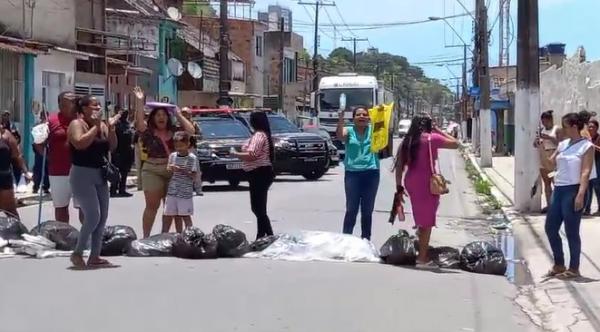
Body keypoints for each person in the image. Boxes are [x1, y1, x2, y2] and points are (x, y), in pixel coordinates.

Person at [394, 114, 459, 269]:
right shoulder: (432, 138)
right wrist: (438, 130)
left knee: (422, 215)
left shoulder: (407, 141)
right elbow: (456, 144)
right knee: (427, 220)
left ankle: (421, 242)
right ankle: (422, 259)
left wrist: (399, 187)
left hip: (411, 181)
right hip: (428, 182)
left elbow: (399, 166)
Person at [133, 87, 195, 238]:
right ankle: (146, 238)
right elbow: (139, 123)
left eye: (164, 115)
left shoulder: (175, 131)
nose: (161, 118)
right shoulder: (147, 131)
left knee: (171, 207)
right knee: (152, 206)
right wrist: (140, 102)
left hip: (173, 170)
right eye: (158, 115)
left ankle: (165, 236)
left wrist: (178, 113)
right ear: (153, 117)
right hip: (152, 169)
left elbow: (191, 131)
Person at [67, 95, 119, 268]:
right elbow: (80, 144)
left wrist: (110, 129)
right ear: (83, 109)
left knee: (102, 216)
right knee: (92, 216)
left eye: (99, 105)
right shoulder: (76, 124)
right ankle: (78, 252)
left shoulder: (102, 125)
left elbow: (112, 147)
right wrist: (95, 128)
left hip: (100, 174)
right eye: (94, 105)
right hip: (82, 174)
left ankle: (95, 256)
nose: (98, 108)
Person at [543, 112, 595, 279]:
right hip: (559, 189)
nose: (562, 130)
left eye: (565, 126)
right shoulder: (563, 144)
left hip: (574, 190)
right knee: (550, 228)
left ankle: (574, 268)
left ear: (574, 127)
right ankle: (559, 264)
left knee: (571, 230)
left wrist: (581, 194)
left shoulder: (586, 146)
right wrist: (540, 150)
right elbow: (550, 164)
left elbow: (586, 171)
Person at [35, 92, 83, 224]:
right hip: (58, 171)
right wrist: (49, 157)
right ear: (60, 104)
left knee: (85, 207)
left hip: (81, 170)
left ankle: (88, 238)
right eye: (69, 100)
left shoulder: (82, 118)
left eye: (74, 100)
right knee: (61, 208)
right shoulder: (51, 120)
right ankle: (64, 236)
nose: (73, 102)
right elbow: (38, 143)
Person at [336, 106, 380, 240]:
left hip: (371, 173)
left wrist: (381, 114)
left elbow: (383, 136)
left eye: (365, 115)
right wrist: (341, 118)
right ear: (353, 118)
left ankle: (366, 240)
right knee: (351, 209)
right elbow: (340, 136)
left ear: (369, 118)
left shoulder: (374, 131)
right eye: (358, 115)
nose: (362, 117)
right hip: (352, 174)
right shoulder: (349, 130)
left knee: (367, 211)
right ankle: (346, 239)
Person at [231, 112, 275, 240]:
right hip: (260, 173)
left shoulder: (259, 135)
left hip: (259, 173)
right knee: (259, 208)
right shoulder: (261, 135)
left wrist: (236, 154)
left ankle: (268, 235)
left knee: (258, 208)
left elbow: (252, 154)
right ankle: (262, 235)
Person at [163, 131, 198, 233]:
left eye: (182, 146)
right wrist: (172, 168)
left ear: (188, 144)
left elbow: (193, 175)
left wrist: (182, 170)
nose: (179, 149)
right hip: (173, 191)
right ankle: (179, 235)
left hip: (185, 192)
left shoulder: (192, 158)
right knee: (174, 215)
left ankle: (190, 235)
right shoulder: (173, 156)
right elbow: (168, 168)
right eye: (177, 146)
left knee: (185, 216)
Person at [0, 120, 30, 219]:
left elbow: (17, 156)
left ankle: (17, 233)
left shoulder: (6, 135)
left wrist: (26, 172)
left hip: (3, 176)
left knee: (10, 211)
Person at [534, 110, 562, 213]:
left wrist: (549, 137)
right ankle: (549, 205)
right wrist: (537, 141)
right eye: (543, 122)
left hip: (553, 157)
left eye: (546, 121)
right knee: (546, 182)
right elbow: (535, 144)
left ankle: (557, 204)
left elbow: (561, 143)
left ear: (550, 120)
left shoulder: (557, 129)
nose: (544, 124)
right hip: (543, 156)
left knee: (556, 181)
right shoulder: (541, 130)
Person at [110, 107, 135, 197]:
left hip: (127, 151)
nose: (125, 114)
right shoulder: (116, 123)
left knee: (124, 172)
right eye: (123, 113)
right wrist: (118, 115)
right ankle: (113, 190)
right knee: (116, 171)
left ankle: (122, 190)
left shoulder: (128, 124)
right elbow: (110, 123)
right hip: (118, 151)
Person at [180, 107, 203, 196]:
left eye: (187, 113)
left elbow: (200, 135)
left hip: (191, 149)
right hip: (181, 149)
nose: (185, 115)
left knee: (196, 169)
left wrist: (193, 136)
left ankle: (198, 189)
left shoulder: (194, 124)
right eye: (183, 113)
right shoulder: (178, 124)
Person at [32, 110, 50, 194]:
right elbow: (36, 138)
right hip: (39, 149)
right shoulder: (37, 126)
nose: (44, 117)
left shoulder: (49, 125)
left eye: (45, 116)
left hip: (47, 149)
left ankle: (46, 186)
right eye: (43, 115)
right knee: (38, 169)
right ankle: (36, 186)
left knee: (47, 169)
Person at [584, 119, 600, 215]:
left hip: (597, 163)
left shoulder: (598, 138)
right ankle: (587, 209)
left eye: (592, 127)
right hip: (588, 164)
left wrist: (593, 145)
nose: (590, 128)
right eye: (589, 127)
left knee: (597, 187)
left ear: (596, 128)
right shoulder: (586, 138)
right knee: (587, 187)